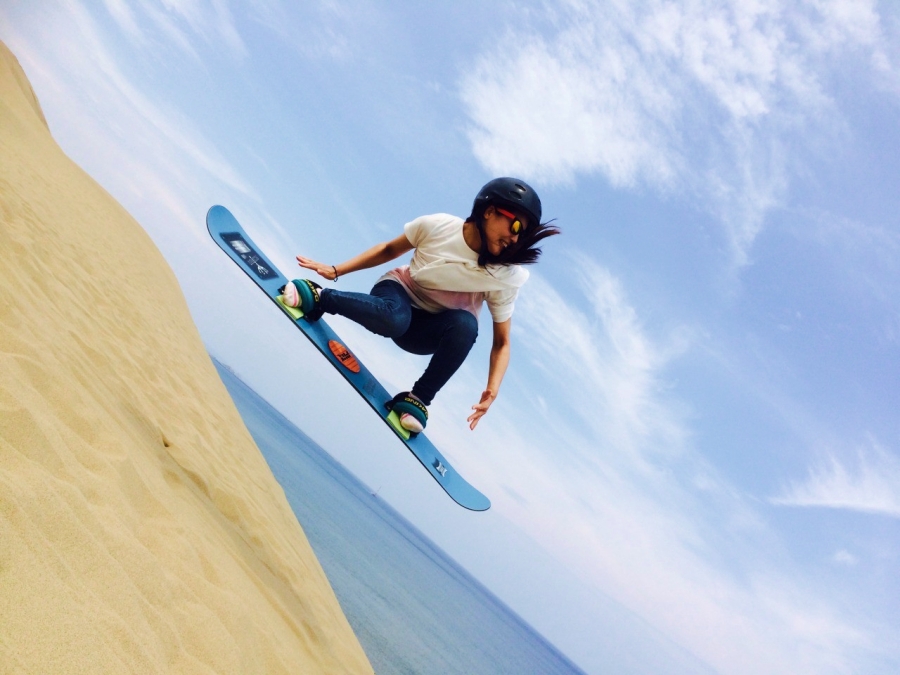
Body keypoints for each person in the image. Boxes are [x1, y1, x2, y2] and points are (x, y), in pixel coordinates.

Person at [282, 177, 559, 433]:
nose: (515, 239)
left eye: (522, 235)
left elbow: (502, 343)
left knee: (466, 325)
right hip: (398, 293)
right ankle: (320, 297)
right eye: (515, 226)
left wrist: (492, 388)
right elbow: (389, 249)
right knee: (395, 318)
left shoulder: (503, 277)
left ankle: (417, 400)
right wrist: (336, 270)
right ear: (489, 211)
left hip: (425, 331)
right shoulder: (439, 226)